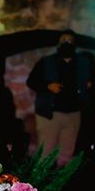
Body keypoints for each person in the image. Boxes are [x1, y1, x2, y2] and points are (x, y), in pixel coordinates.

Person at [27, 29, 95, 166]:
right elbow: (31, 81)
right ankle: (42, 184)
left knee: (66, 154)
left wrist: (90, 82)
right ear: (58, 44)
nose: (66, 43)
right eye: (63, 41)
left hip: (74, 114)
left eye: (70, 41)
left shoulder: (84, 62)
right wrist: (47, 86)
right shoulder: (46, 62)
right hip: (50, 114)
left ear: (74, 44)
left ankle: (62, 184)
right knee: (45, 153)